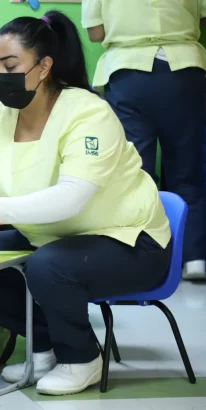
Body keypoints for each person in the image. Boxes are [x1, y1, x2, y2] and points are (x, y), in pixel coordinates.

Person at [0, 11, 171, 395]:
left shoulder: (88, 114)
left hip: (128, 240)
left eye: (11, 65)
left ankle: (82, 358)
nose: (0, 74)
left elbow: (70, 199)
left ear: (44, 67)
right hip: (51, 234)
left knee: (48, 267)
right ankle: (44, 343)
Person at [82, 0, 206, 280]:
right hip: (186, 71)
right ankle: (195, 256)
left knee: (135, 172)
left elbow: (96, 33)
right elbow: (200, 21)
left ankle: (143, 257)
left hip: (128, 73)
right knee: (188, 167)